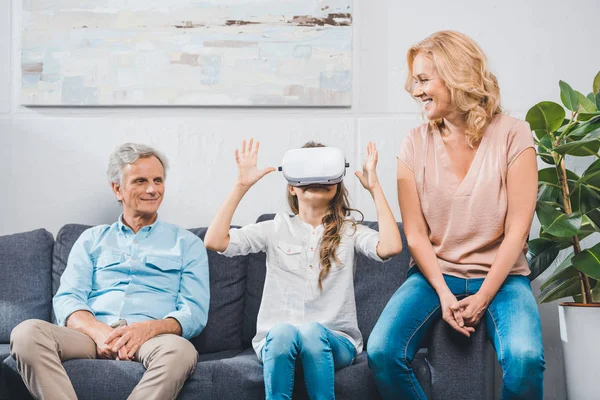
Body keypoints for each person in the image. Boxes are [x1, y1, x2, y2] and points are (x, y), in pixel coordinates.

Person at [367, 31, 545, 400]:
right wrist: (445, 294)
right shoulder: (414, 142)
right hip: (435, 274)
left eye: (423, 79)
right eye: (413, 81)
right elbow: (414, 233)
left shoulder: (514, 134)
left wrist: (483, 297)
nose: (414, 91)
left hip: (504, 276)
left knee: (525, 358)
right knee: (382, 351)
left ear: (456, 75)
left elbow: (518, 229)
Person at [204, 139, 402, 399]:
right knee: (284, 330)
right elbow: (215, 241)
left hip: (335, 342)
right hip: (276, 343)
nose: (316, 179)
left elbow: (390, 247)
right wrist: (241, 187)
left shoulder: (348, 230)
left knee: (310, 331)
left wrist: (375, 188)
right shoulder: (274, 227)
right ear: (292, 187)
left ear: (337, 185)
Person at [10, 143, 210, 400]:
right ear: (118, 189)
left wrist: (146, 330)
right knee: (27, 333)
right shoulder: (91, 239)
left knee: (181, 352)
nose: (152, 189)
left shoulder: (187, 243)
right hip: (91, 336)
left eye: (158, 180)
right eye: (140, 180)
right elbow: (68, 299)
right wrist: (97, 330)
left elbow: (193, 312)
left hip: (152, 339)